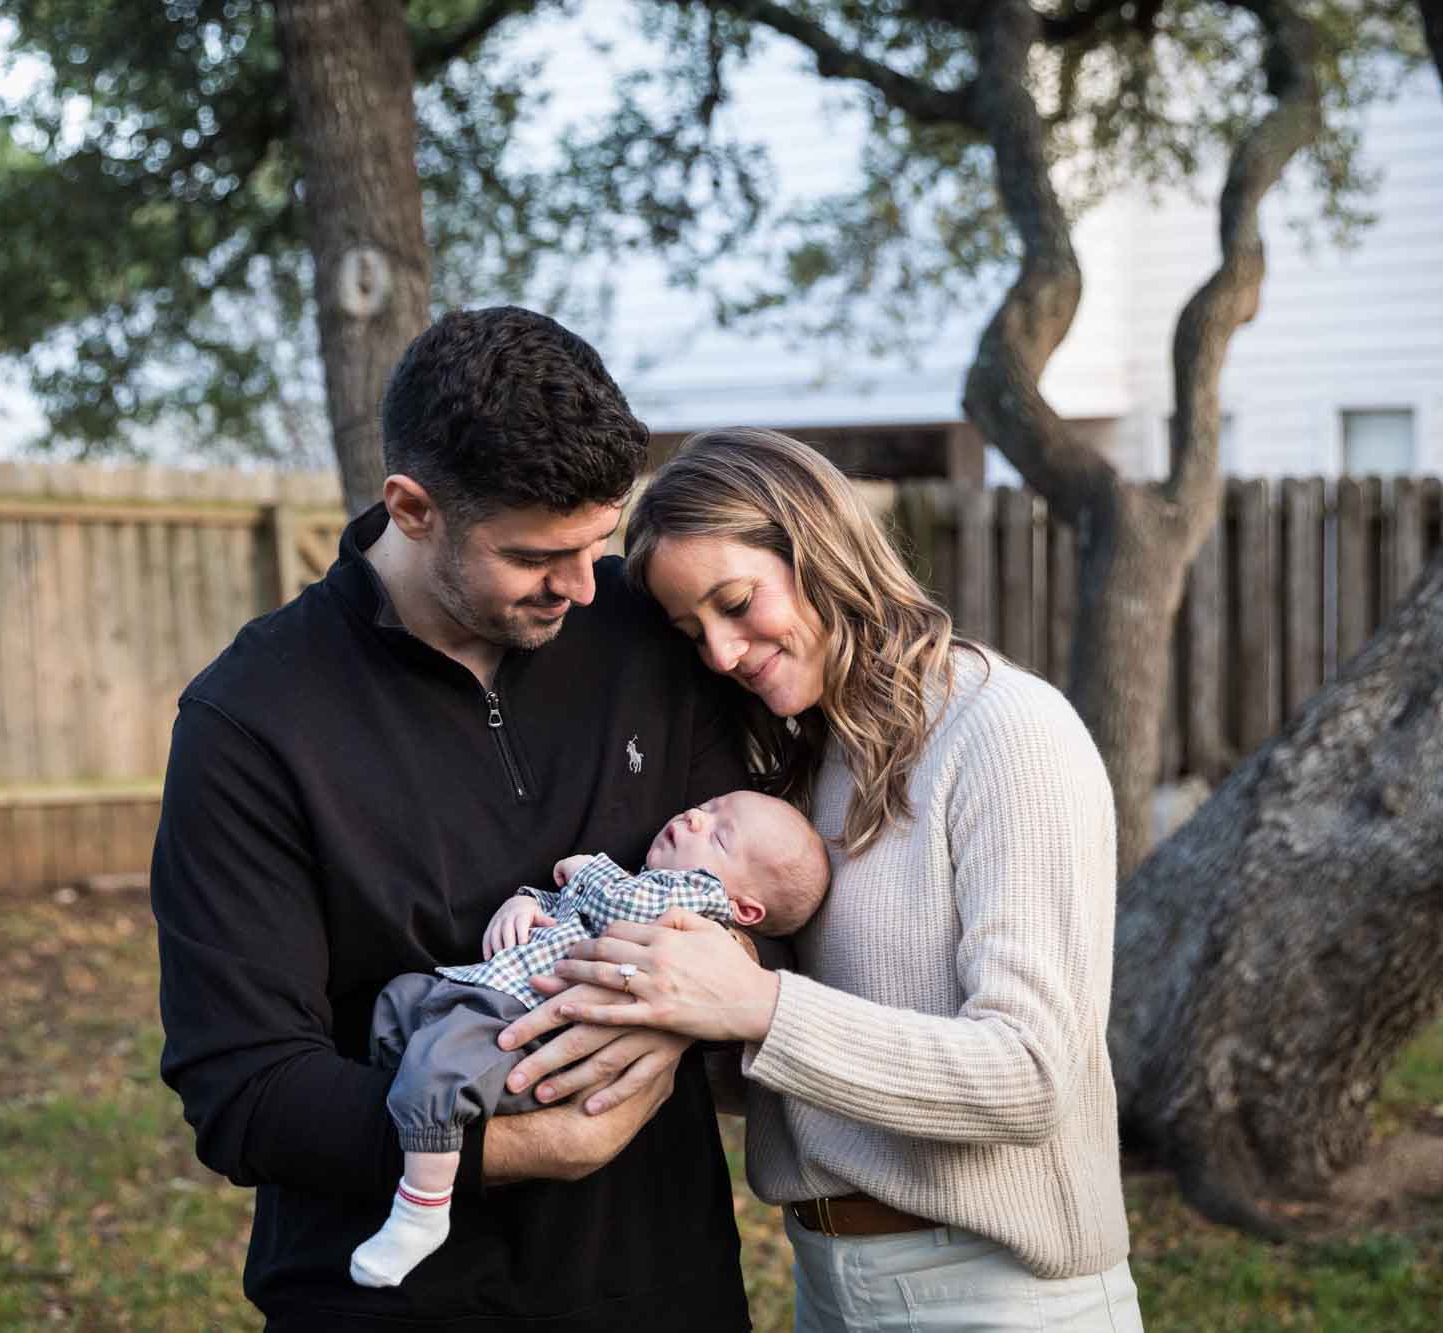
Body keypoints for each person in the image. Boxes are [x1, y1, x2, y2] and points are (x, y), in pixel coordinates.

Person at [149, 308, 758, 1332]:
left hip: (661, 1285)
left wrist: (662, 1039)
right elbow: (243, 1087)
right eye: (536, 556)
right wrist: (530, 1146)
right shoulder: (251, 722)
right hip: (393, 1303)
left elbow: (747, 890)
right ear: (413, 507)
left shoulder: (643, 639)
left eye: (597, 542)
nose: (581, 584)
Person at [504, 427, 1145, 1332]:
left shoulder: (1006, 732)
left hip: (995, 1293)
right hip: (832, 1281)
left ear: (819, 546)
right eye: (695, 632)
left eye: (736, 602)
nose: (721, 653)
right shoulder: (802, 769)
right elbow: (801, 1072)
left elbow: (1033, 1075)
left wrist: (758, 1004)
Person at [350, 789, 830, 1287]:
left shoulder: (696, 909)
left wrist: (587, 868)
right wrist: (525, 903)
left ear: (744, 911)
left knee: (440, 1071)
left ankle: (421, 1208)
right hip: (489, 993)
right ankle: (411, 1099)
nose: (693, 818)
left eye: (720, 836)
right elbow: (567, 906)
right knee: (402, 1000)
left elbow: (623, 906)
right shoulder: (640, 881)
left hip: (529, 1024)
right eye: (708, 809)